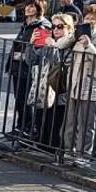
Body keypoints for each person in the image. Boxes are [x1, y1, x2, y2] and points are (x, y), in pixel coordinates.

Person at [63, 4, 96, 164]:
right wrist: (72, 36)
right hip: (75, 81)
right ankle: (68, 151)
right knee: (71, 121)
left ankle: (84, 154)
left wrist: (89, 45)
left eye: (93, 18)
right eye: (87, 18)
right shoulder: (80, 33)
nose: (90, 21)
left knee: (86, 123)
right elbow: (60, 45)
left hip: (91, 84)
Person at [28, 13, 76, 149]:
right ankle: (41, 148)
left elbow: (60, 66)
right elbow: (31, 60)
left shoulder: (70, 45)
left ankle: (54, 152)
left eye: (60, 26)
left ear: (69, 29)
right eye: (53, 27)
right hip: (43, 91)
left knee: (54, 127)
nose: (55, 30)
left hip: (60, 92)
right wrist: (31, 44)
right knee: (41, 123)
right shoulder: (48, 42)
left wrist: (54, 48)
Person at [8, 0, 53, 138]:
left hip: (28, 67)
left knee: (25, 99)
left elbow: (38, 47)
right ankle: (20, 125)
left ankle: (27, 127)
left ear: (39, 9)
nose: (28, 9)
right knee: (19, 99)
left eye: (33, 7)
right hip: (16, 65)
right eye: (28, 6)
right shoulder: (25, 24)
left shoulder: (41, 25)